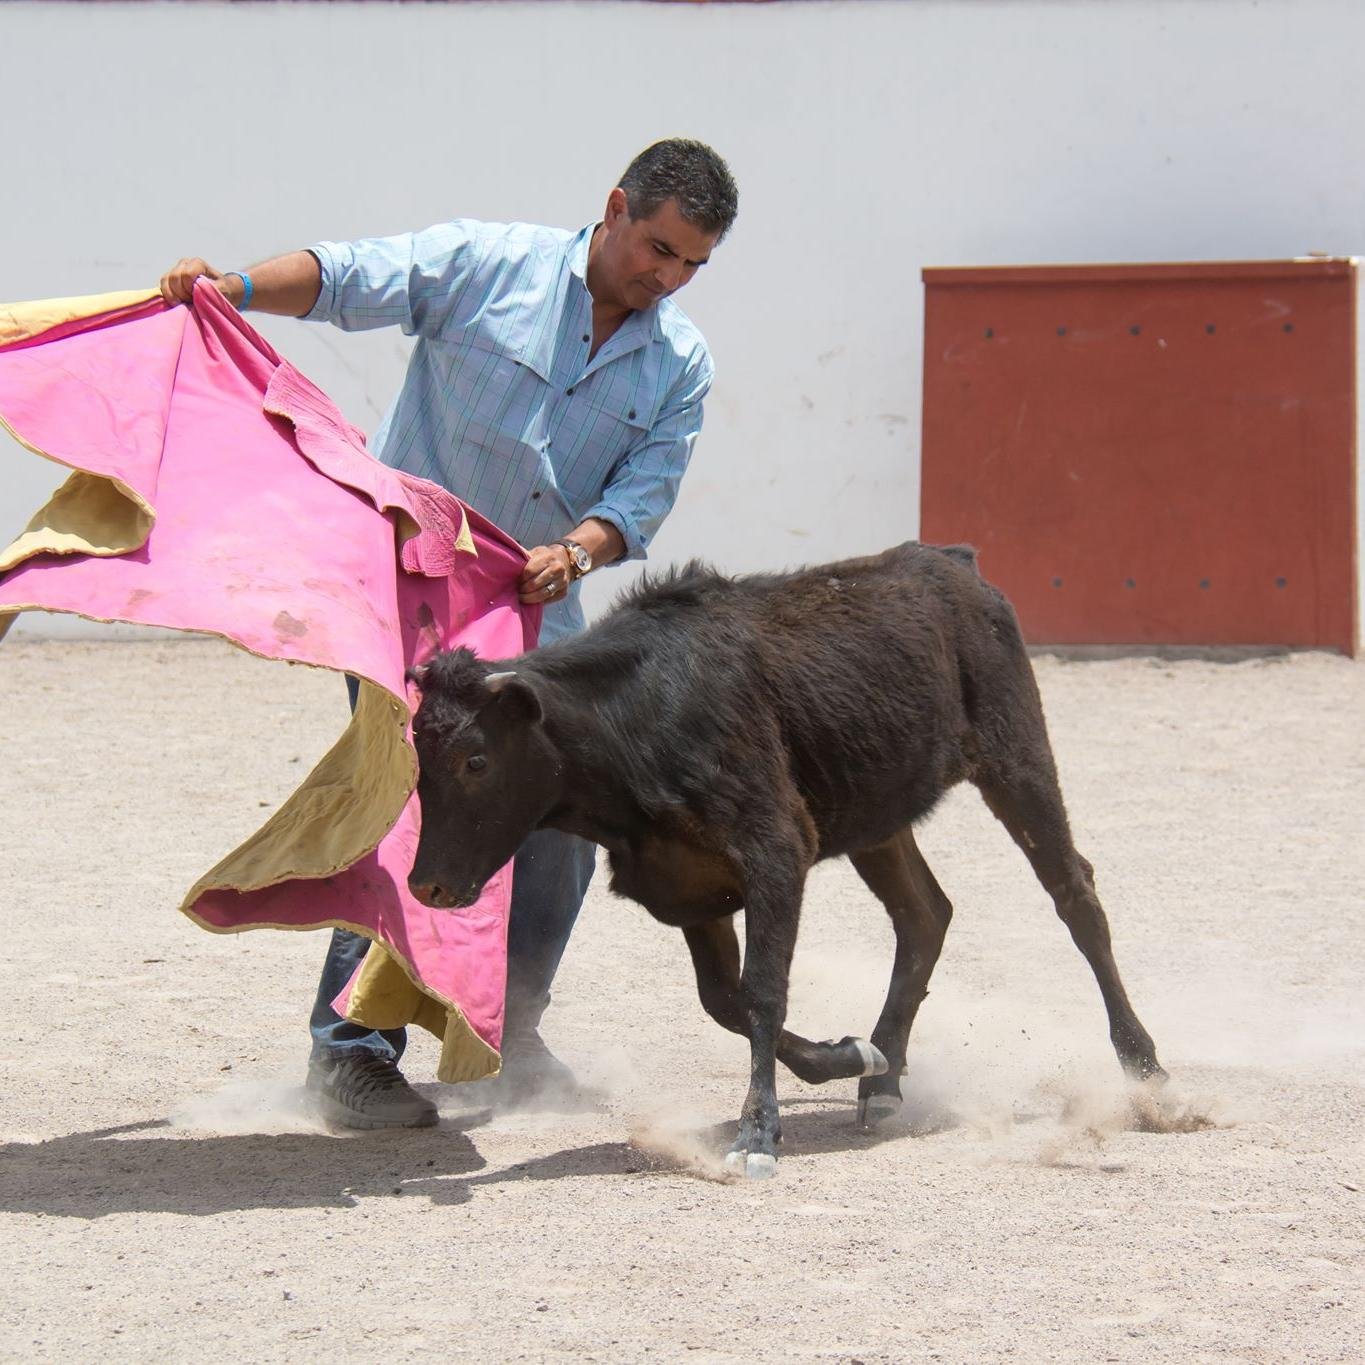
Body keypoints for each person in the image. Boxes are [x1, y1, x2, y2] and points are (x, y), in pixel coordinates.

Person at [159, 138, 739, 1129]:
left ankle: (504, 1028)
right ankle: (349, 1050)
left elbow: (642, 492)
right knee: (416, 801)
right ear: (613, 207)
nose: (666, 276)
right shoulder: (488, 265)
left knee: (563, 828)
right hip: (405, 592)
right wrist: (238, 288)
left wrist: (582, 548)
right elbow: (350, 278)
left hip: (536, 613)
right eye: (657, 248)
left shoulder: (680, 363)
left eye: (690, 264)